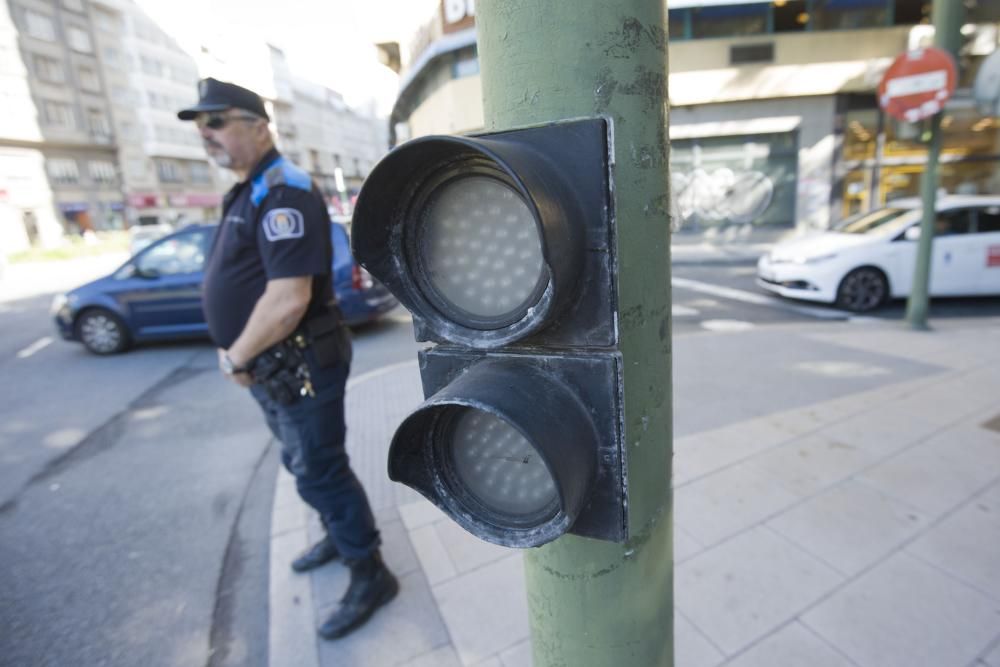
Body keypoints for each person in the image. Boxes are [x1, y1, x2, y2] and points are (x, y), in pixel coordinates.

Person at [177, 78, 398, 639]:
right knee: (303, 464)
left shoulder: (284, 190)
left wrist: (236, 356)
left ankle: (370, 573)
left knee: (319, 469)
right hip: (275, 369)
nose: (207, 134)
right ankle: (337, 534)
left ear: (258, 125)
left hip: (297, 361)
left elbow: (289, 297)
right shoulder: (249, 188)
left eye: (218, 121)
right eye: (201, 125)